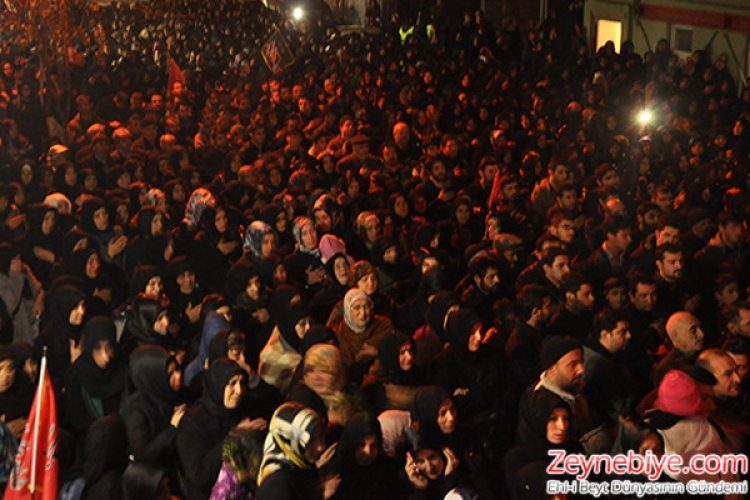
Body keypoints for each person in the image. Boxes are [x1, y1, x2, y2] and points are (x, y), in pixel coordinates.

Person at [177, 358, 267, 500]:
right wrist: (234, 438)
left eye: (242, 383)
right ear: (217, 384)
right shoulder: (194, 422)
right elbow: (199, 475)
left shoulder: (247, 406)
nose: (239, 390)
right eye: (232, 384)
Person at [122, 345, 185, 495]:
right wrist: (172, 429)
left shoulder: (177, 395)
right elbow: (143, 455)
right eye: (170, 374)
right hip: (156, 485)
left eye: (177, 369)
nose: (178, 376)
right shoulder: (137, 410)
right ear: (153, 377)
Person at [256, 402, 332, 500]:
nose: (321, 446)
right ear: (290, 441)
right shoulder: (277, 484)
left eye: (321, 436)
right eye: (310, 441)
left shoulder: (299, 463)